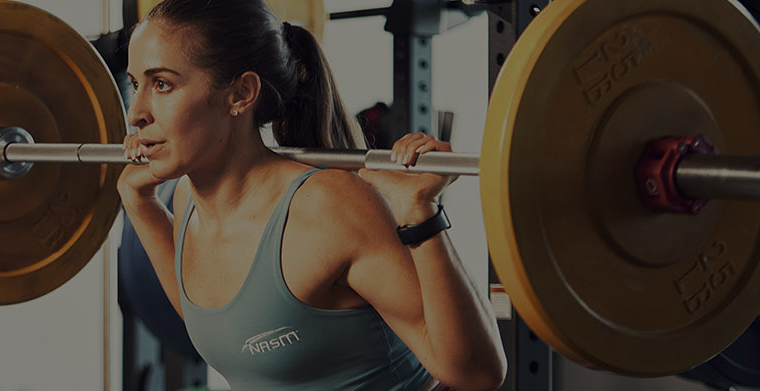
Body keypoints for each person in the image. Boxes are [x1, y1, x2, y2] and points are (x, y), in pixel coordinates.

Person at [117, 1, 507, 390]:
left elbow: (477, 373)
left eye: (162, 84)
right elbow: (220, 323)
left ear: (240, 94)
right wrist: (139, 203)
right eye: (136, 84)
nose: (136, 113)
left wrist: (421, 213)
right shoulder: (187, 202)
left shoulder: (329, 209)